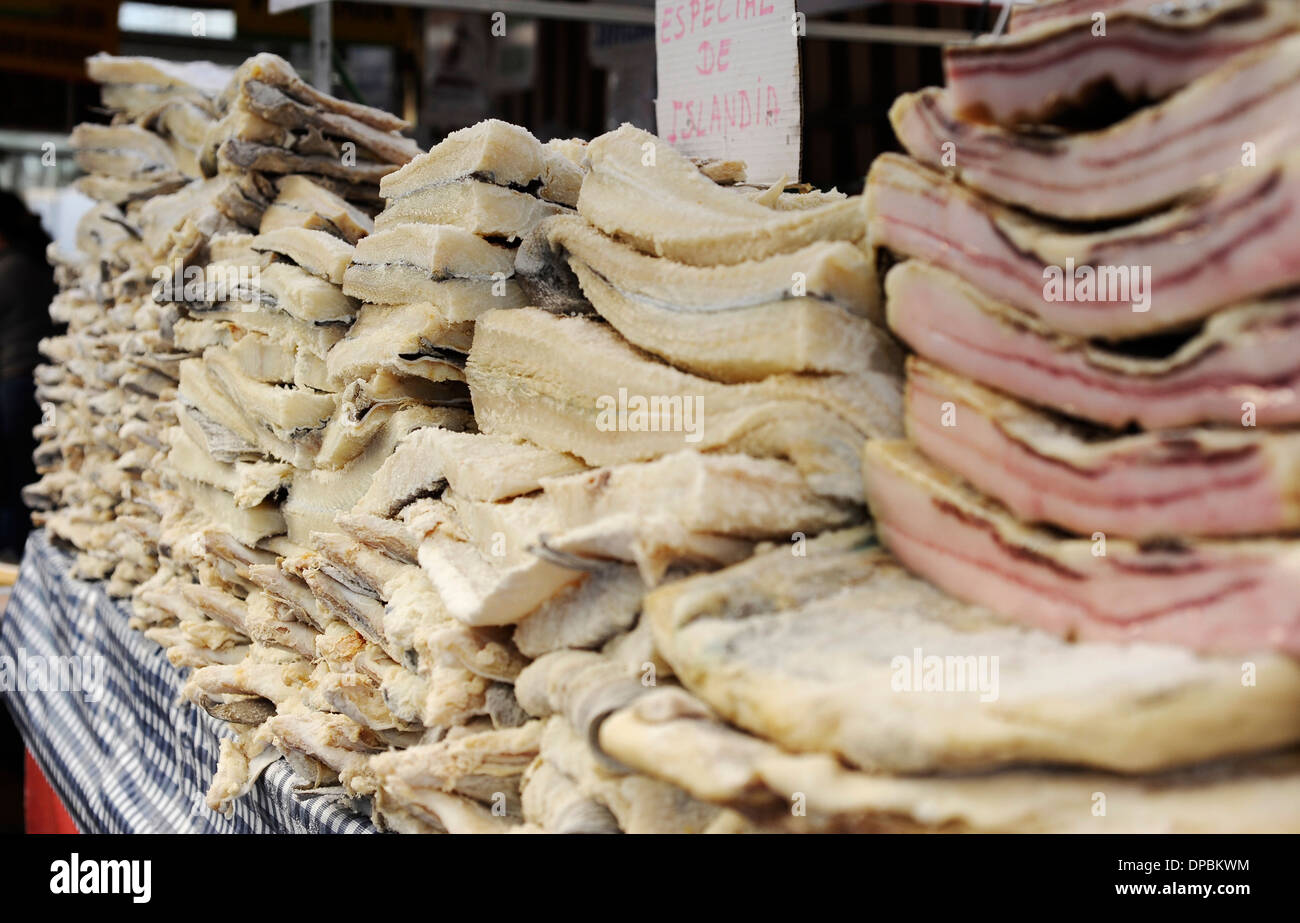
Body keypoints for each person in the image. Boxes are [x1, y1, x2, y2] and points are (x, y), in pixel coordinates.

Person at [0, 191, 56, 561]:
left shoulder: (10, 269)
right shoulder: (36, 263)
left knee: (11, 472)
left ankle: (11, 549)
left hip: (15, 384)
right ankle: (18, 546)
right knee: (25, 469)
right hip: (37, 382)